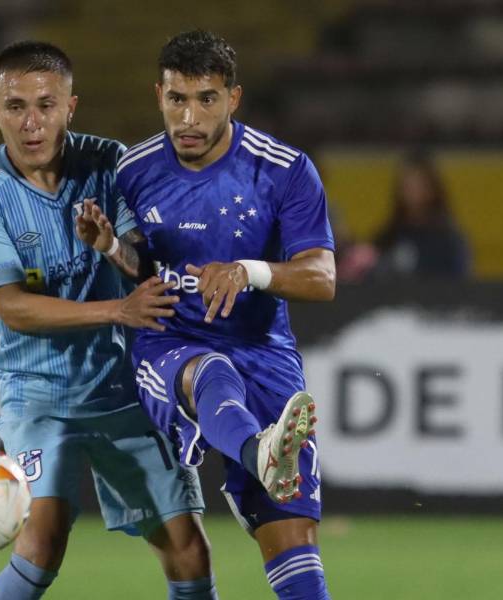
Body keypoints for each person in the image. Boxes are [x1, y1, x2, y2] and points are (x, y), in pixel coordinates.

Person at [0, 41, 217, 600]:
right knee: (43, 540)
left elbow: (146, 264)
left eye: (46, 105)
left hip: (124, 388)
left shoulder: (113, 164)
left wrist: (112, 245)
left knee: (188, 549)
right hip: (38, 395)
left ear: (71, 107)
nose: (31, 123)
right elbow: (13, 308)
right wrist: (118, 309)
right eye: (16, 106)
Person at [77, 30, 335, 599]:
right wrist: (112, 249)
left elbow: (322, 277)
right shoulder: (134, 171)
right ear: (159, 96)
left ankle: (264, 459)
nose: (189, 117)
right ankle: (258, 452)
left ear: (233, 99)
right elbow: (144, 264)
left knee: (295, 550)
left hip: (264, 353)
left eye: (206, 99)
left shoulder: (284, 170)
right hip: (171, 340)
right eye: (176, 100)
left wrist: (250, 269)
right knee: (207, 369)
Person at [370, 150, 471, 279]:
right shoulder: (389, 237)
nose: (410, 191)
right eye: (406, 185)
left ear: (432, 189)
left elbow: (460, 283)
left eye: (417, 185)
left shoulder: (449, 241)